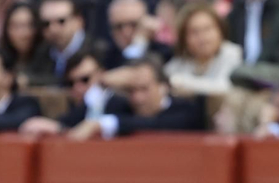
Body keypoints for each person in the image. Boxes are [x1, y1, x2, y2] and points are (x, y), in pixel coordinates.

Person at [66, 53, 203, 136]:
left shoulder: (186, 110)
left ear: (163, 86)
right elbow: (74, 123)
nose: (138, 98)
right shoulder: (120, 105)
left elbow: (156, 124)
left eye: (144, 89)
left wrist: (102, 124)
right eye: (131, 90)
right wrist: (101, 85)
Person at [165, 0, 241, 94]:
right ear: (184, 39)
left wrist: (181, 82)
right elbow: (166, 79)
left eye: (207, 29)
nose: (202, 37)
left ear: (220, 30)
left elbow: (225, 86)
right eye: (194, 32)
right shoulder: (182, 60)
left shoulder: (232, 53)